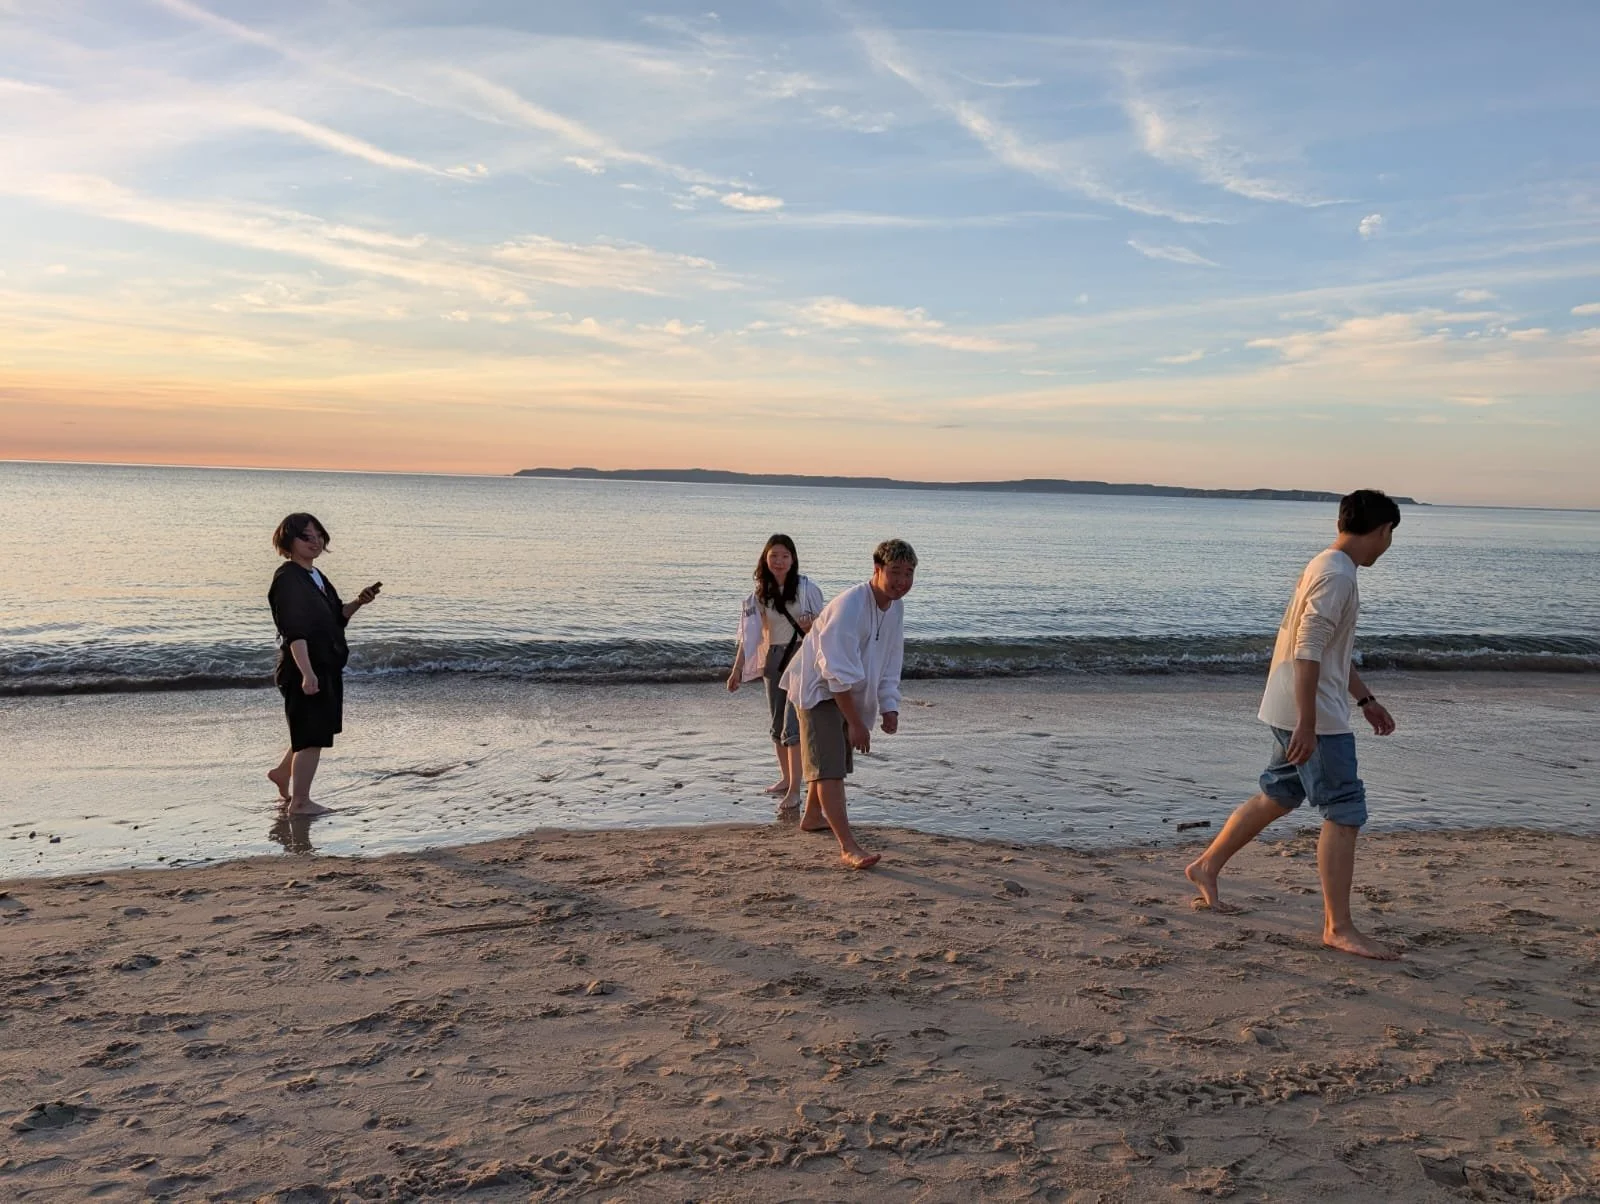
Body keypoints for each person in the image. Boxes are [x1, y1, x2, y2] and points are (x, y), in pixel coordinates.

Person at [1185, 489, 1402, 960]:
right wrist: (1308, 723)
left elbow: (1327, 649)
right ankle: (1337, 927)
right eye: (1390, 537)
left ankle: (1206, 865)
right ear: (1382, 530)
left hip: (1294, 705)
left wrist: (1365, 699)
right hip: (1314, 715)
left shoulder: (1324, 565)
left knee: (1279, 794)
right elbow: (1307, 649)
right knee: (1344, 810)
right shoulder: (1337, 576)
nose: (1388, 547)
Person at [782, 539, 917, 870]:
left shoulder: (895, 608)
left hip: (846, 694)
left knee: (834, 761)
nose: (902, 581)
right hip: (819, 690)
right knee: (830, 769)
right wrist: (855, 722)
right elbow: (834, 671)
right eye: (895, 572)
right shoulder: (851, 605)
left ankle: (813, 816)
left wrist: (889, 706)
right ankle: (848, 846)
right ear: (877, 570)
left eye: (909, 573)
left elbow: (889, 661)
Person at [266, 513, 380, 816]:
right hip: (305, 667)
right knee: (311, 736)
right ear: (288, 540)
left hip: (323, 665)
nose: (315, 541)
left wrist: (359, 602)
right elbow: (294, 630)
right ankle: (300, 803)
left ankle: (282, 774)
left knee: (311, 730)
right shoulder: (288, 578)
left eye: (319, 535)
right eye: (306, 536)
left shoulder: (315, 577)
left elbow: (337, 617)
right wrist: (307, 673)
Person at [727, 535, 825, 811]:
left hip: (800, 658)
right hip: (772, 660)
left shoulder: (807, 589)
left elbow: (826, 626)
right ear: (765, 559)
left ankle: (795, 790)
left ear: (793, 559)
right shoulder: (760, 594)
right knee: (776, 724)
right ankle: (785, 778)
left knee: (791, 727)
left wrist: (811, 627)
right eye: (774, 556)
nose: (779, 561)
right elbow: (749, 637)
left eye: (784, 556)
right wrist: (736, 671)